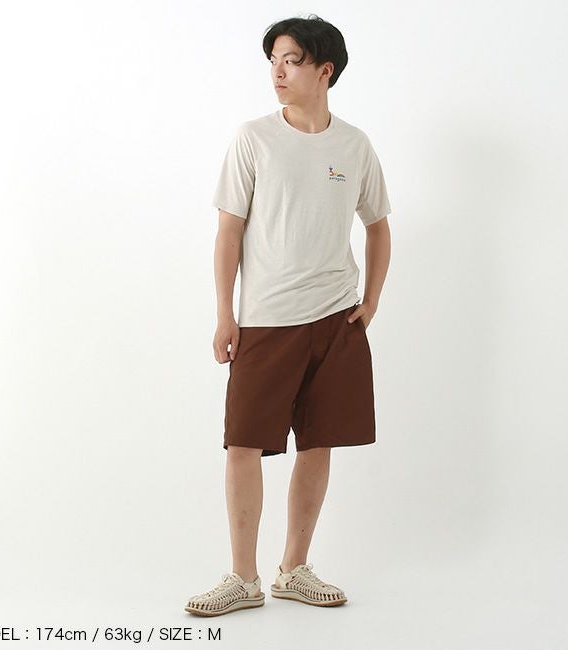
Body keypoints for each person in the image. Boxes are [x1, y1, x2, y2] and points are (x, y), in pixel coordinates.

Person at [185, 14, 392, 617]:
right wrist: (225, 314)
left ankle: (294, 569)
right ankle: (242, 578)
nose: (277, 71)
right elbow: (228, 231)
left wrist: (371, 301)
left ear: (325, 70)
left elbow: (378, 225)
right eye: (273, 60)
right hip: (266, 319)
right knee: (243, 444)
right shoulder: (253, 138)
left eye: (292, 60)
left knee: (319, 443)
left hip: (336, 320)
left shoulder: (354, 145)